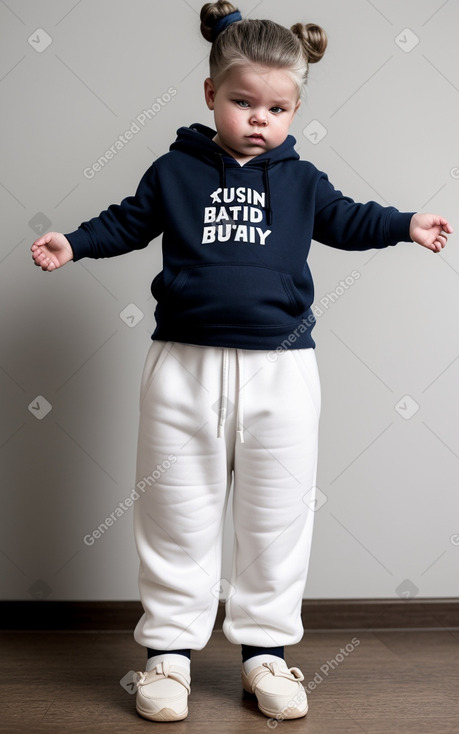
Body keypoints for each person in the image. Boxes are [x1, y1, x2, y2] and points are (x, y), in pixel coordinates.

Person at [31, 0, 452, 724]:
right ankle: (167, 656)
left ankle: (264, 655)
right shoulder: (173, 171)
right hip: (182, 367)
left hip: (281, 371)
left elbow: (350, 218)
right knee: (174, 511)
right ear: (210, 95)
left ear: (294, 109)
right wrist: (72, 242)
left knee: (276, 514)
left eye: (278, 107)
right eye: (242, 101)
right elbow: (126, 221)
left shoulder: (301, 180)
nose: (260, 118)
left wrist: (405, 224)